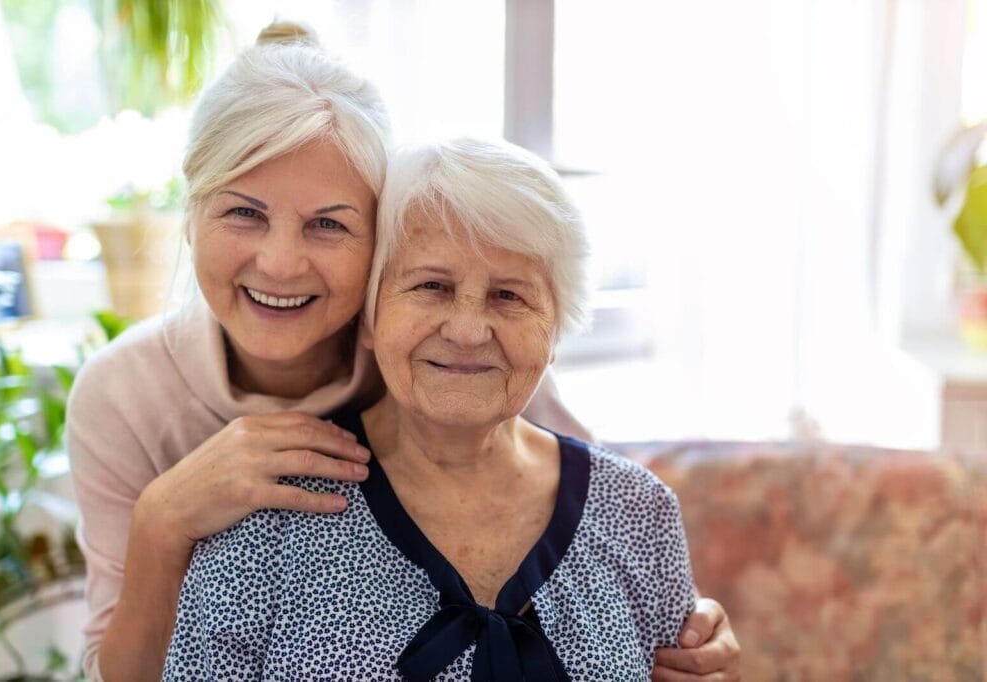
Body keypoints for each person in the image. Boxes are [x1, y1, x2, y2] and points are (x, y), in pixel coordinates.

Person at [67, 20, 740, 682]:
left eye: (328, 223)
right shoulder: (126, 395)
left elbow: (601, 534)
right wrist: (163, 520)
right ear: (190, 215)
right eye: (243, 212)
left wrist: (686, 634)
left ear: (380, 245)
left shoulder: (466, 363)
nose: (279, 262)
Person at [164, 137, 696, 680]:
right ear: (368, 318)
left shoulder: (639, 513)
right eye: (432, 286)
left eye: (508, 296)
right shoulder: (268, 514)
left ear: (556, 330)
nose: (467, 331)